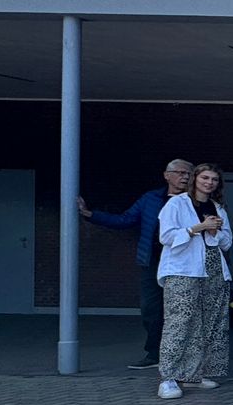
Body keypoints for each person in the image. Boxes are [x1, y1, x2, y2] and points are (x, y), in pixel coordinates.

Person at [80, 157, 193, 368]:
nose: (185, 177)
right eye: (180, 173)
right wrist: (91, 215)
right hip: (152, 261)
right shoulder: (151, 199)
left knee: (182, 310)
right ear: (167, 175)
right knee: (151, 309)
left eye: (188, 173)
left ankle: (183, 356)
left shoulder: (194, 200)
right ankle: (154, 354)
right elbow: (125, 220)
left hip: (183, 263)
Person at [153, 160, 232, 399]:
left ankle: (193, 374)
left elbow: (227, 242)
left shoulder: (218, 207)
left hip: (214, 269)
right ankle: (168, 377)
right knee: (180, 321)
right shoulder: (176, 203)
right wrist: (197, 227)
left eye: (214, 179)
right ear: (195, 179)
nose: (209, 183)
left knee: (209, 322)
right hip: (183, 269)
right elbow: (166, 236)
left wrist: (214, 232)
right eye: (205, 178)